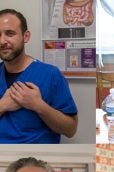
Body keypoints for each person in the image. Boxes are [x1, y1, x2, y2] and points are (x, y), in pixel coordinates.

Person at [0, 9, 78, 143]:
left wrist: (38, 105)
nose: (2, 41)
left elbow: (70, 130)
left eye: (10, 33)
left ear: (26, 37)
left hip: (36, 156)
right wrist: (3, 105)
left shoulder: (50, 75)